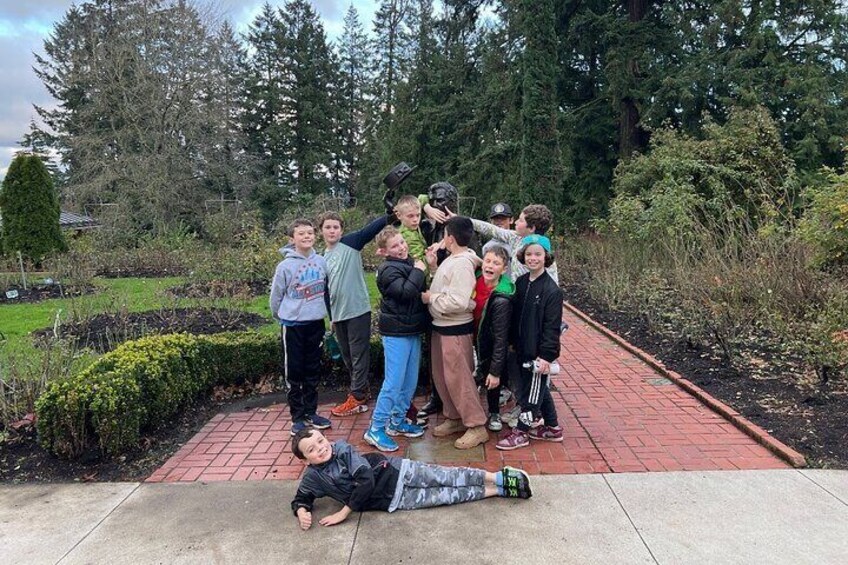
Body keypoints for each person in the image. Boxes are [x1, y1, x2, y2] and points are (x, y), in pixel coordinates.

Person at [291, 429, 532, 529]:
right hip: (393, 500)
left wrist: (344, 513)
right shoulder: (313, 477)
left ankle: (497, 476)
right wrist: (302, 510)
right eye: (312, 449)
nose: (321, 448)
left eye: (321, 440)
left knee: (447, 476)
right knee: (445, 496)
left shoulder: (342, 450)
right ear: (305, 461)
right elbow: (302, 496)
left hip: (398, 472)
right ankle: (498, 490)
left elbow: (365, 480)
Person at [422, 216, 488, 450]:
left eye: (444, 235)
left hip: (455, 329)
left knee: (459, 379)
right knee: (443, 376)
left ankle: (476, 425)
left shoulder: (462, 264)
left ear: (450, 238)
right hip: (441, 326)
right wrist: (433, 267)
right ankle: (455, 417)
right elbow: (446, 287)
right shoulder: (452, 260)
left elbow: (459, 301)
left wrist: (431, 298)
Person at [319, 211, 391, 418]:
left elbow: (370, 230)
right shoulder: (322, 257)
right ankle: (363, 389)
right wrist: (331, 316)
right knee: (348, 356)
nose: (332, 231)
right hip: (339, 314)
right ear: (321, 231)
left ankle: (357, 396)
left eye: (336, 227)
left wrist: (389, 216)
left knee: (358, 355)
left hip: (357, 310)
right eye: (328, 227)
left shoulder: (350, 243)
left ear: (342, 230)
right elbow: (326, 290)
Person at [364, 226, 430, 452]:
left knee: (409, 381)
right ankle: (376, 427)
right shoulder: (387, 270)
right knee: (393, 383)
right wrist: (419, 270)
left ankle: (397, 420)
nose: (401, 247)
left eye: (402, 242)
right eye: (395, 246)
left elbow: (416, 290)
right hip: (395, 333)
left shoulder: (407, 262)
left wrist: (425, 264)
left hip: (411, 330)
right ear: (383, 252)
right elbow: (405, 293)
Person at [497, 235, 564, 450]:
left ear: (546, 257)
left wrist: (546, 356)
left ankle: (522, 431)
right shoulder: (522, 282)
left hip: (538, 354)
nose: (533, 258)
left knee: (531, 395)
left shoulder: (552, 291)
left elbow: (552, 327)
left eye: (537, 254)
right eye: (528, 254)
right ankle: (553, 427)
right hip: (521, 348)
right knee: (538, 390)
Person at [270, 219, 332, 436]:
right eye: (301, 234)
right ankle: (297, 417)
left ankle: (311, 412)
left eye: (309, 233)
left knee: (312, 370)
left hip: (315, 324)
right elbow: (276, 296)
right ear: (292, 239)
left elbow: (326, 292)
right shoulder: (285, 267)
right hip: (293, 326)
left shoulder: (321, 261)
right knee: (295, 372)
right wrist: (282, 316)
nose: (306, 237)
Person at [428, 203, 558, 283]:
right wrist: (462, 220)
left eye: (521, 220)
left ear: (532, 228)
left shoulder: (544, 253)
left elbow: (552, 284)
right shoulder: (515, 238)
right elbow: (491, 229)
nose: (516, 222)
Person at [472, 246, 514, 432]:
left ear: (503, 270)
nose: (490, 266)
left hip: (492, 340)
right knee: (479, 370)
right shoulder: (476, 279)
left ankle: (494, 411)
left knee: (492, 374)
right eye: (487, 261)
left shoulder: (502, 297)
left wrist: (495, 372)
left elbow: (500, 338)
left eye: (496, 263)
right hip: (475, 335)